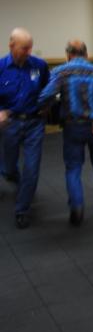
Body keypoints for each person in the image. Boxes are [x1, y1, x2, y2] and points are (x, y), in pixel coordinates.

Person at [37, 40, 93, 226]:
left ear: (68, 55)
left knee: (73, 167)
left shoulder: (60, 72)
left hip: (72, 126)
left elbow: (45, 96)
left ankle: (77, 208)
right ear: (86, 54)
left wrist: (45, 109)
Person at [0, 28, 50, 229]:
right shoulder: (1, 67)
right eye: (24, 48)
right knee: (8, 167)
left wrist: (47, 105)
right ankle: (12, 175)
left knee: (32, 167)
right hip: (10, 124)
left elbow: (48, 88)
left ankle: (22, 209)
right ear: (11, 46)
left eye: (30, 47)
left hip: (34, 123)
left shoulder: (39, 66)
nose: (29, 52)